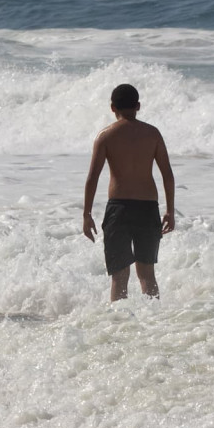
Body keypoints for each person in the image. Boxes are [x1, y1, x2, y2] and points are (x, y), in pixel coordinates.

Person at [82, 83, 175, 301]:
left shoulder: (105, 136)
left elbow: (92, 179)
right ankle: (154, 323)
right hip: (147, 208)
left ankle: (118, 326)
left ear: (112, 107)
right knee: (147, 274)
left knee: (119, 276)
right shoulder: (152, 134)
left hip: (119, 209)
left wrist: (86, 215)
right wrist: (170, 211)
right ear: (138, 106)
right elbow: (167, 175)